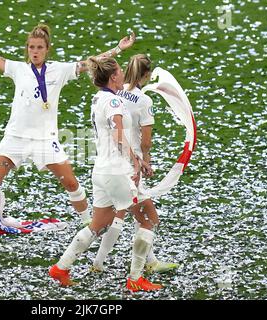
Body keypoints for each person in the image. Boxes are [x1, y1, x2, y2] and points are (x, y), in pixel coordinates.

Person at [0, 23, 135, 226]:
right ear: (27, 49)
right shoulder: (18, 68)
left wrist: (118, 48)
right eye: (31, 47)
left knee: (71, 182)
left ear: (47, 49)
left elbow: (90, 64)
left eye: (39, 47)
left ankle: (89, 226)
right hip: (16, 137)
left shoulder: (60, 70)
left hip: (45, 140)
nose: (35, 51)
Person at [49, 56, 162, 292]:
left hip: (101, 170)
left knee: (98, 225)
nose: (123, 74)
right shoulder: (113, 103)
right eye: (120, 71)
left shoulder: (99, 98)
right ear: (113, 77)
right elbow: (118, 136)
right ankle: (135, 278)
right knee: (148, 219)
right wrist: (137, 160)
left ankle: (61, 267)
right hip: (118, 171)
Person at [90, 54, 179, 274]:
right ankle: (138, 271)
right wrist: (145, 161)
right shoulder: (144, 100)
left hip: (107, 161)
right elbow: (146, 140)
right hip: (129, 164)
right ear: (147, 75)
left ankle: (99, 263)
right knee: (145, 217)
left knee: (116, 216)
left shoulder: (114, 92)